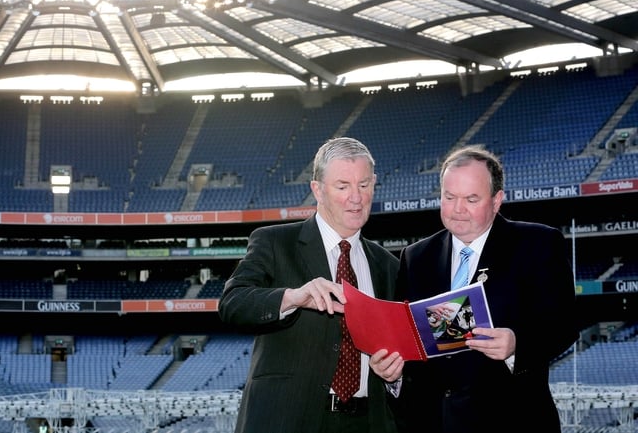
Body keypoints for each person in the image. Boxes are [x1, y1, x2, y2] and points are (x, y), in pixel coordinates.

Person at [370, 145, 578, 433]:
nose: (457, 209)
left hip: (512, 421)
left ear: (496, 200)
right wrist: (393, 374)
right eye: (449, 197)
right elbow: (409, 340)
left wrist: (517, 343)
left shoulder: (537, 244)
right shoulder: (416, 257)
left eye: (471, 199)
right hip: (432, 424)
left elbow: (564, 325)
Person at [218, 136, 400, 433]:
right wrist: (293, 297)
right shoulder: (275, 242)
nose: (356, 197)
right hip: (287, 419)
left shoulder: (389, 266)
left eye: (364, 185)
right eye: (343, 186)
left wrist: (395, 374)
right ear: (318, 189)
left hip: (369, 421)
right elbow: (232, 303)